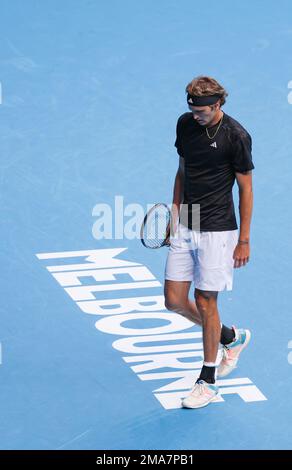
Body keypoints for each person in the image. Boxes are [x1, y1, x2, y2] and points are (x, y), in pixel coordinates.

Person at [164, 76, 254, 409]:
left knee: (205, 301)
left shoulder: (236, 136)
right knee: (173, 300)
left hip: (218, 229)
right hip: (187, 222)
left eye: (202, 112)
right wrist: (174, 215)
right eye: (192, 110)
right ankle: (231, 338)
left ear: (217, 105)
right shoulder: (185, 124)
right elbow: (182, 170)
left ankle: (208, 380)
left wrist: (243, 239)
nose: (196, 116)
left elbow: (246, 189)